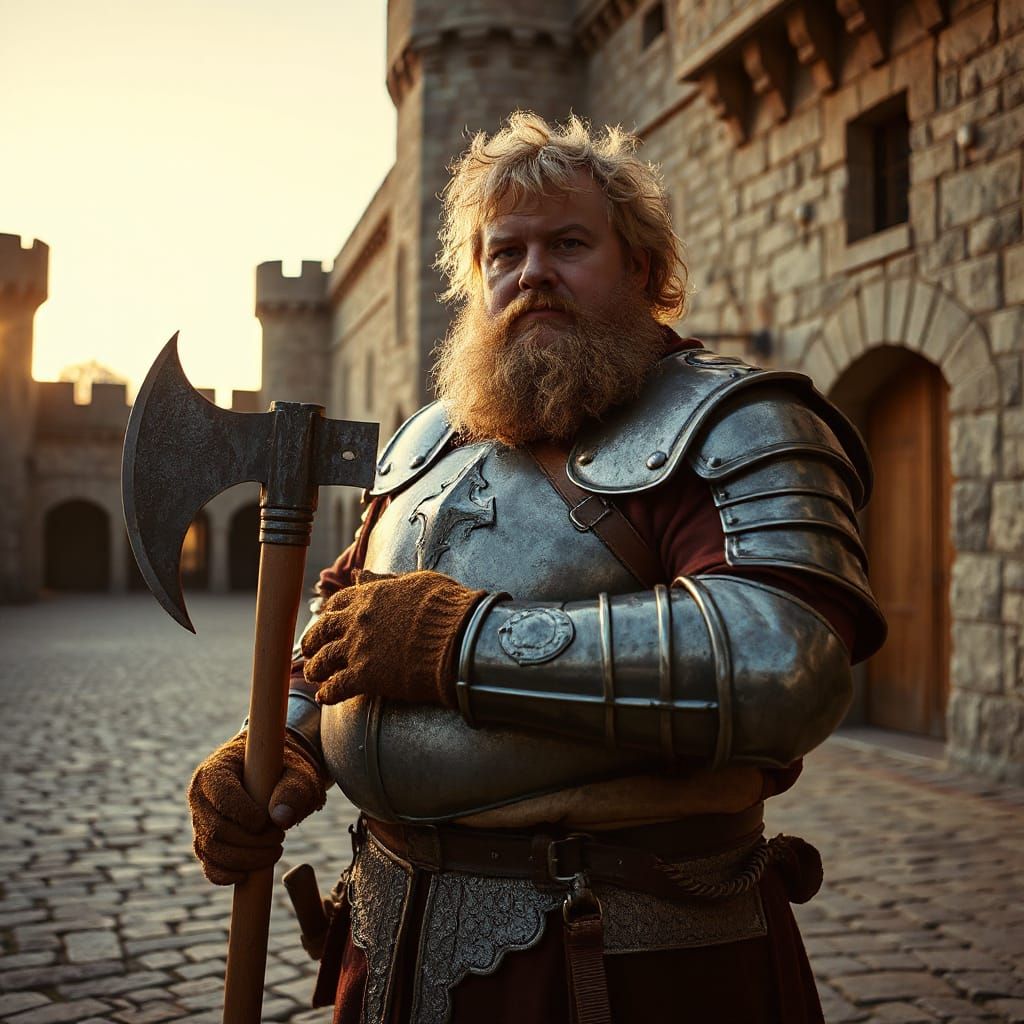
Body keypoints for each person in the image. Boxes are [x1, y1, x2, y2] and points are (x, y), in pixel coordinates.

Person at [188, 111, 886, 1024]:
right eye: (504, 253)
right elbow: (343, 628)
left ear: (642, 269)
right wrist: (280, 742)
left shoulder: (735, 425)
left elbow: (783, 660)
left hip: (618, 959)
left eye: (569, 244)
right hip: (392, 938)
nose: (533, 274)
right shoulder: (427, 443)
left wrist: (461, 643)